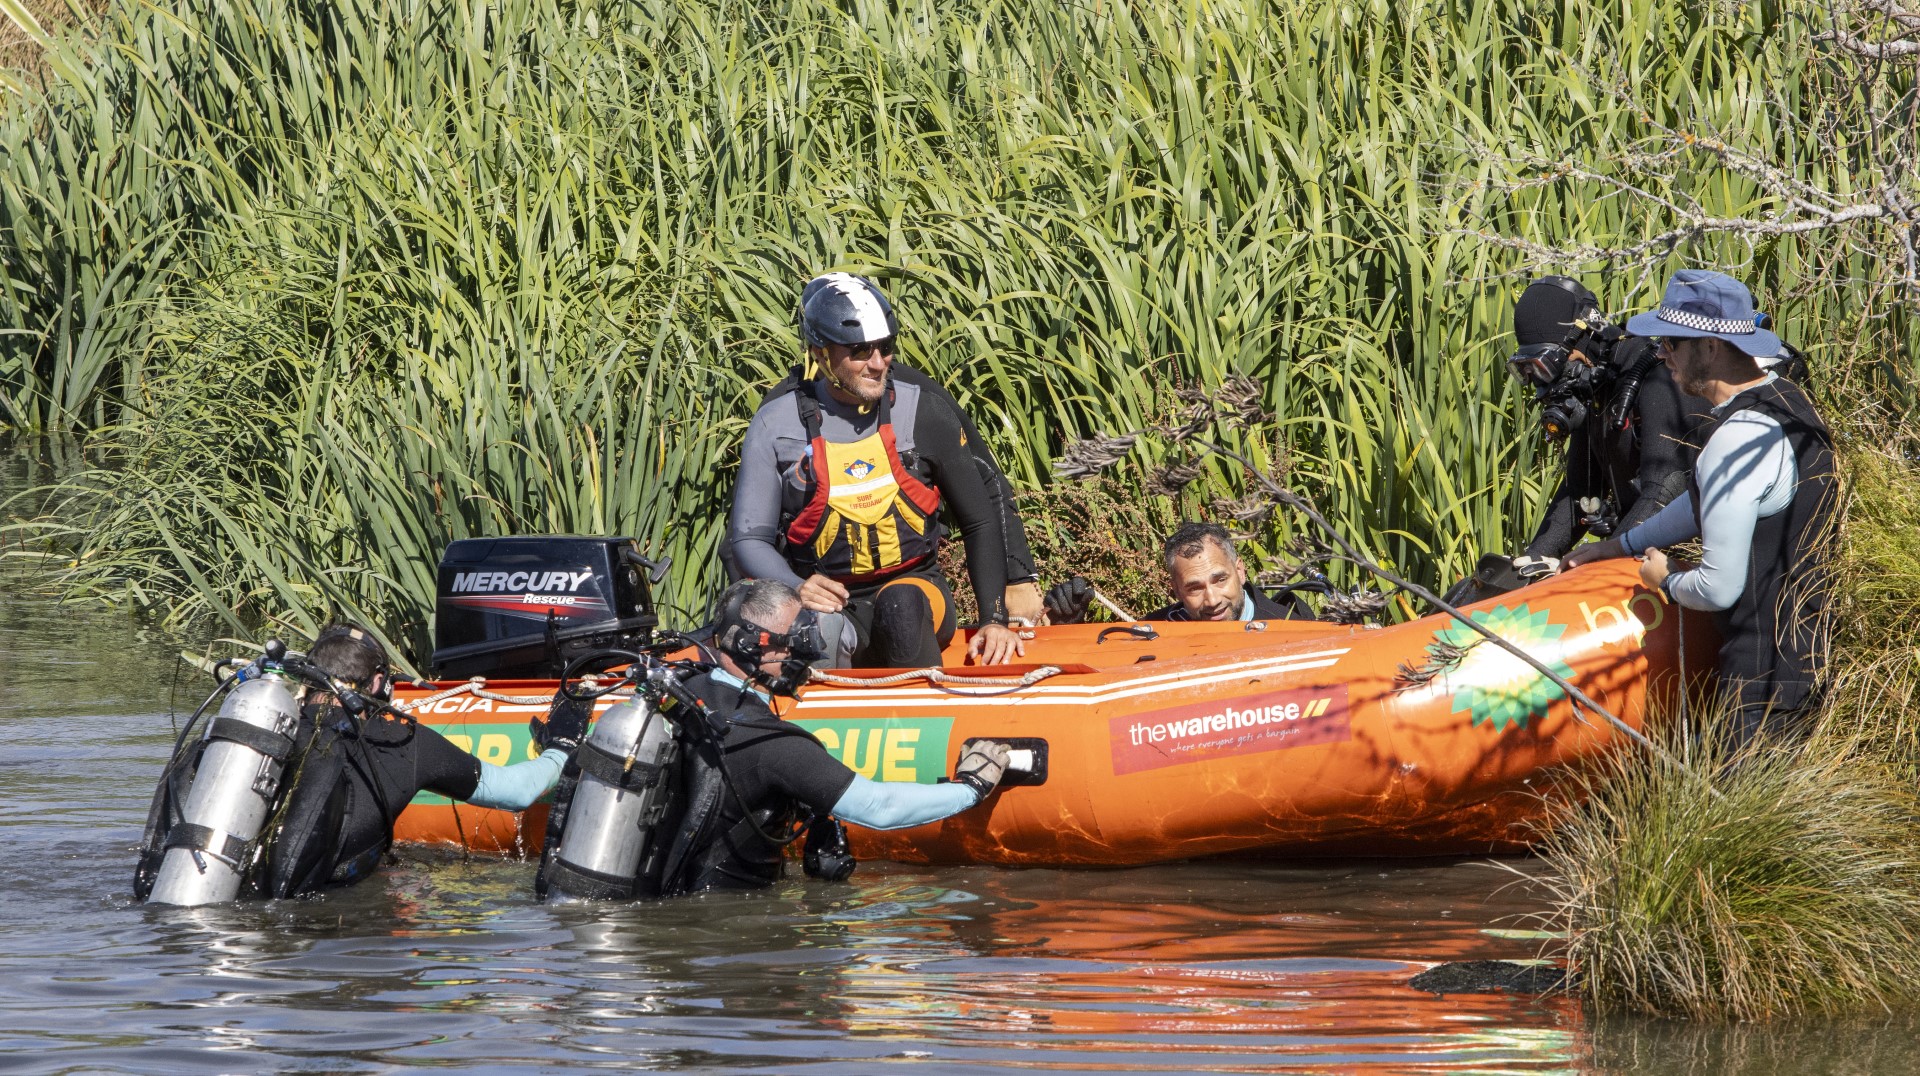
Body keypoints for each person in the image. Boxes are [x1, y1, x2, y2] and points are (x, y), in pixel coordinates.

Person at [1565, 270, 1838, 742]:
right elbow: (1703, 504)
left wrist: (1663, 579)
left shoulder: (1735, 439)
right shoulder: (1787, 403)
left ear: (1711, 346)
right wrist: (1617, 547)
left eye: (1672, 341)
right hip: (1810, 657)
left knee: (1745, 812)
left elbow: (1718, 588)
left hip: (1760, 682)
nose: (1661, 353)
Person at [729, 272, 1027, 668]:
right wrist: (798, 586)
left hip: (916, 591)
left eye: (884, 347)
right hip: (829, 598)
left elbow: (980, 521)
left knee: (900, 607)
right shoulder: (775, 424)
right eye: (859, 351)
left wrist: (994, 619)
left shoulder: (925, 411)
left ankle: (926, 720)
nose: (877, 363)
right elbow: (748, 538)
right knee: (813, 630)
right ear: (819, 353)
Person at [648, 579, 1013, 895]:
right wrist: (971, 787)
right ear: (753, 646)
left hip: (663, 901)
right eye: (797, 640)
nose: (806, 655)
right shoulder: (771, 745)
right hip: (726, 928)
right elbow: (879, 808)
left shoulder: (681, 692)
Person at [255, 624, 585, 897]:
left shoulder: (267, 725)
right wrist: (561, 747)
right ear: (378, 683)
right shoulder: (405, 742)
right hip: (334, 925)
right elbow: (517, 792)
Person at [1447, 276, 1711, 603]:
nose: (1543, 386)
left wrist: (1604, 557)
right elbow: (1577, 495)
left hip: (1688, 560)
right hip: (1637, 549)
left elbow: (1666, 487)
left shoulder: (1657, 378)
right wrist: (1532, 562)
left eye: (1545, 366)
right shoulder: (1596, 390)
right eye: (1527, 372)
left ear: (1582, 339)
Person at [1042, 522, 1316, 624]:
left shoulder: (1293, 623)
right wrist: (1065, 624)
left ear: (1240, 571)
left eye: (1220, 579)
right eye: (1194, 588)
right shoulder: (1154, 631)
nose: (1212, 600)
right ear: (1175, 589)